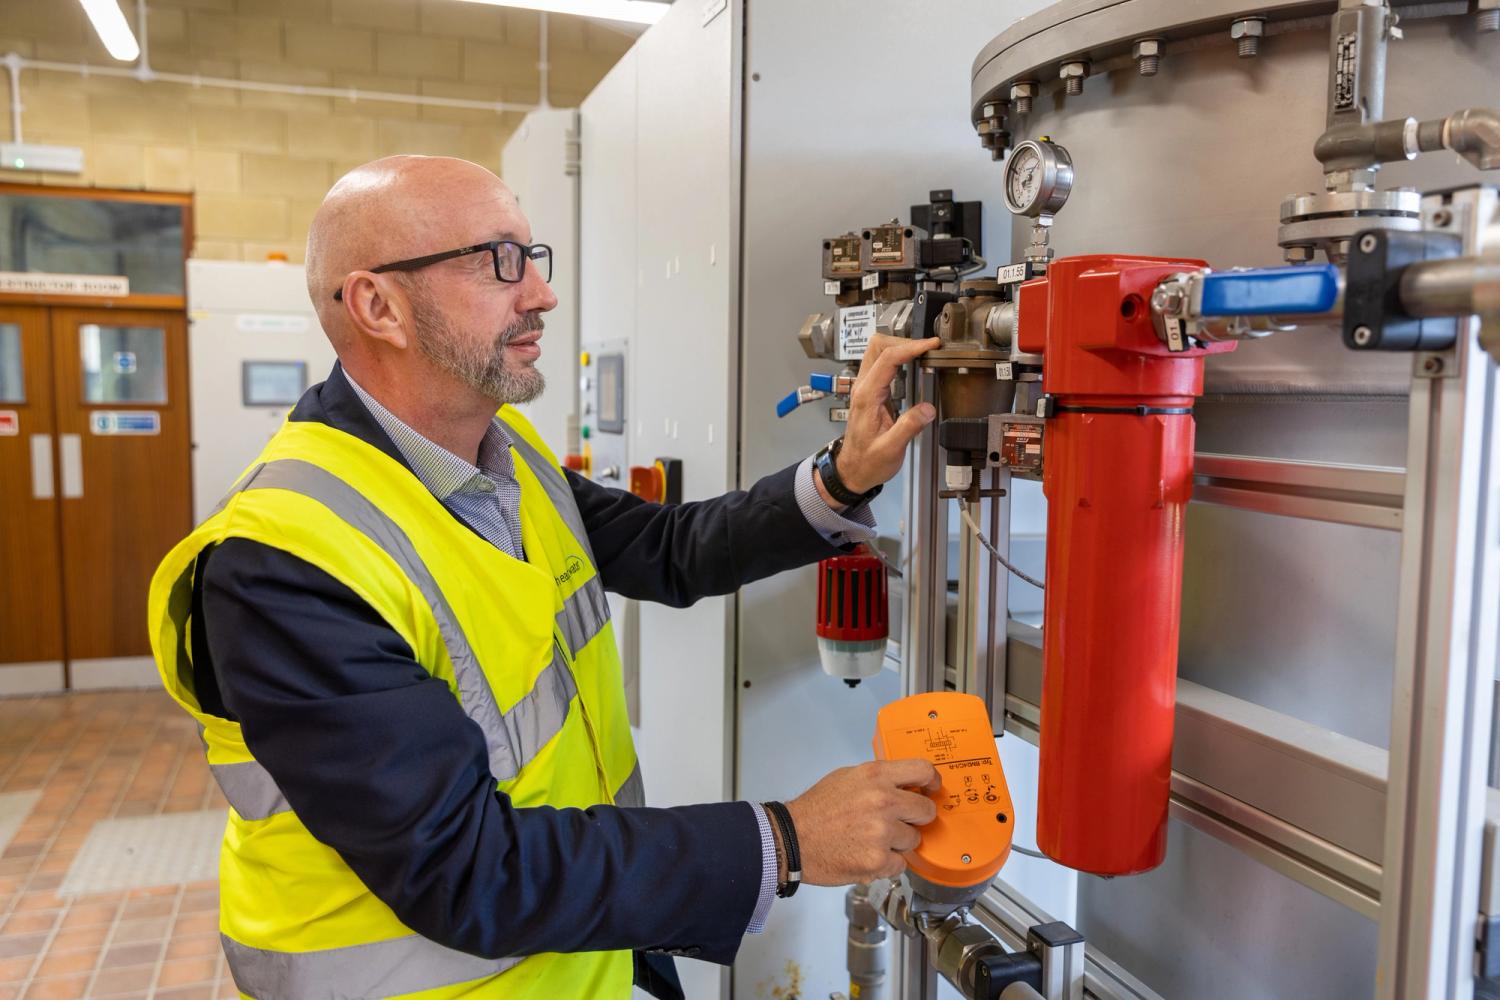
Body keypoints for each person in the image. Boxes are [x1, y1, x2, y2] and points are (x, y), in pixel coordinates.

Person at [147, 155, 944, 1000]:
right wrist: (785, 840)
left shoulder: (508, 455)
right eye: (498, 261)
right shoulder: (283, 562)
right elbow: (466, 869)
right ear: (377, 305)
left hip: (584, 956)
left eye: (534, 256)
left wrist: (843, 478)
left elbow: (670, 548)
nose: (541, 294)